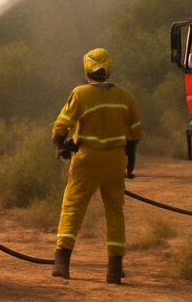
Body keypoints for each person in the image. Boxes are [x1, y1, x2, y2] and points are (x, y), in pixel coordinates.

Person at [50, 48, 142, 284]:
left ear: (87, 70)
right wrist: (130, 164)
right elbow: (134, 135)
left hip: (87, 160)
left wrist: (61, 144)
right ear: (108, 69)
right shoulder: (124, 96)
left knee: (73, 206)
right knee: (114, 212)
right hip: (114, 162)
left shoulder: (80, 94)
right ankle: (114, 268)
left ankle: (62, 262)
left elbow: (62, 125)